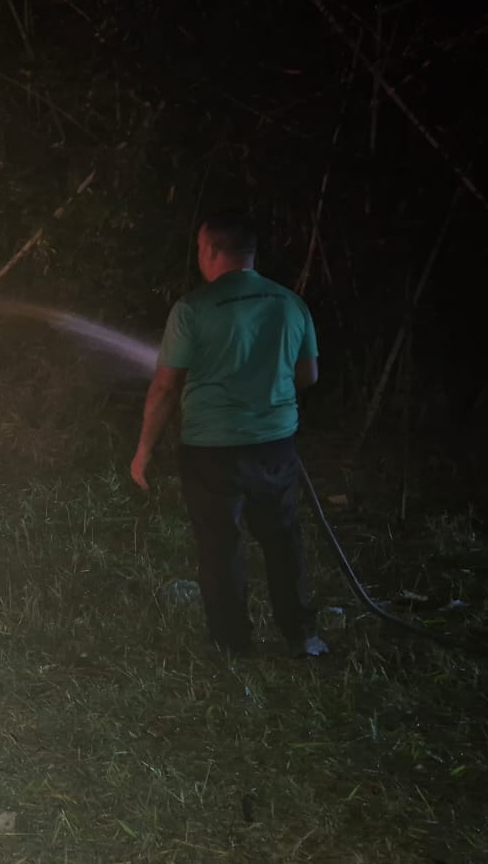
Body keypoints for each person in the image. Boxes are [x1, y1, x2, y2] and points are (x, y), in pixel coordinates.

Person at [130, 211, 328, 658]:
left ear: (212, 250)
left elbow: (165, 388)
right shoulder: (289, 303)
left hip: (211, 451)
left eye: (200, 247)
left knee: (219, 546)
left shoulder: (193, 309)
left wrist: (143, 450)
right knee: (282, 540)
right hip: (275, 445)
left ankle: (232, 644)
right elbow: (309, 375)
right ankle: (302, 636)